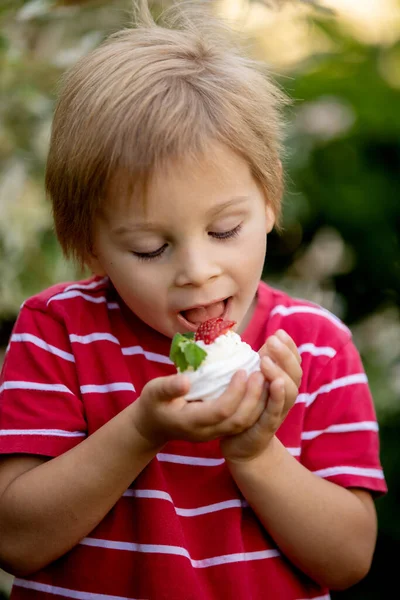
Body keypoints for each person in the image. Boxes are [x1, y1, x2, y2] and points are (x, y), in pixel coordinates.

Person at [0, 1, 387, 599]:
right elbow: (17, 542)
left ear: (268, 199)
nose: (198, 272)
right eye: (152, 248)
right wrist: (141, 429)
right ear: (89, 246)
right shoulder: (59, 333)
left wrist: (256, 454)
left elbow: (348, 559)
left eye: (225, 231)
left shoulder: (316, 347)